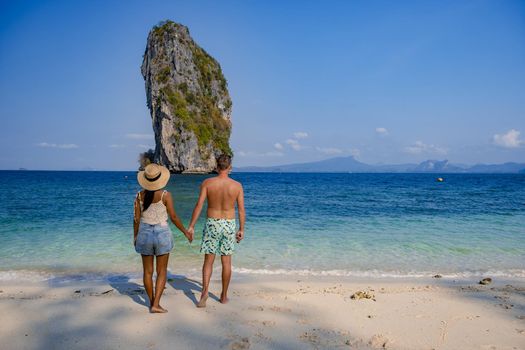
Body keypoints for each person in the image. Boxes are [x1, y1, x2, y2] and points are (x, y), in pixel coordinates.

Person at [188, 154, 245, 307]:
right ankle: (223, 296)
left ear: (216, 167)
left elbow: (199, 205)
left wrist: (191, 226)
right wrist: (241, 229)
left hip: (212, 223)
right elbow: (241, 210)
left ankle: (205, 292)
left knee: (208, 261)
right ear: (230, 167)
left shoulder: (207, 182)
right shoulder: (237, 186)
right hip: (229, 224)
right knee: (226, 262)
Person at [134, 163, 193, 313]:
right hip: (162, 233)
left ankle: (151, 302)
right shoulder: (165, 195)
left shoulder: (139, 196)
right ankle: (156, 304)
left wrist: (135, 236)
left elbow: (136, 219)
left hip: (144, 233)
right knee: (162, 271)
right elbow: (173, 217)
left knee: (147, 271)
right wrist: (185, 232)